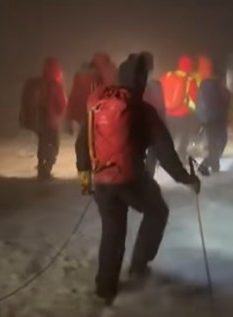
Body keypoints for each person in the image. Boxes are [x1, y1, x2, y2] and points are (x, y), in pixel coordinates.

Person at [75, 53, 201, 305]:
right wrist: (186, 178)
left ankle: (105, 288)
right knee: (157, 211)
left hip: (102, 182)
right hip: (131, 179)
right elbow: (164, 152)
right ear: (141, 80)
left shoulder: (97, 104)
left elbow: (82, 145)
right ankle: (139, 265)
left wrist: (85, 178)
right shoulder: (143, 111)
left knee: (112, 232)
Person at [19, 57, 66, 180]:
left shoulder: (35, 83)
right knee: (54, 145)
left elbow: (25, 100)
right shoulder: (55, 85)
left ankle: (41, 167)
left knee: (42, 143)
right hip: (50, 120)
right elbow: (62, 105)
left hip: (37, 121)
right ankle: (47, 169)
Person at [65, 52, 117, 133]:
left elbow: (73, 96)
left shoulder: (80, 76)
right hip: (97, 111)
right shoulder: (100, 76)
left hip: (82, 112)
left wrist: (70, 115)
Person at [160, 55, 198, 164]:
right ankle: (181, 156)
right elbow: (193, 99)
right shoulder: (190, 80)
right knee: (183, 136)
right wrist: (196, 109)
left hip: (167, 112)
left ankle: (167, 157)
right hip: (183, 113)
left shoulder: (166, 76)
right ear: (189, 66)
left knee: (170, 135)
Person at [196, 61, 230, 173]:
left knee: (212, 143)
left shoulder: (203, 84)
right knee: (221, 141)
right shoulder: (217, 85)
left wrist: (201, 118)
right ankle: (207, 164)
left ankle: (214, 164)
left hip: (207, 118)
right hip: (217, 118)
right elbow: (222, 102)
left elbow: (199, 102)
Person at [141, 51, 166, 177]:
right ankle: (148, 176)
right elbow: (161, 107)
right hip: (152, 123)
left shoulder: (128, 83)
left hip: (136, 122)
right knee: (153, 151)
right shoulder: (156, 84)